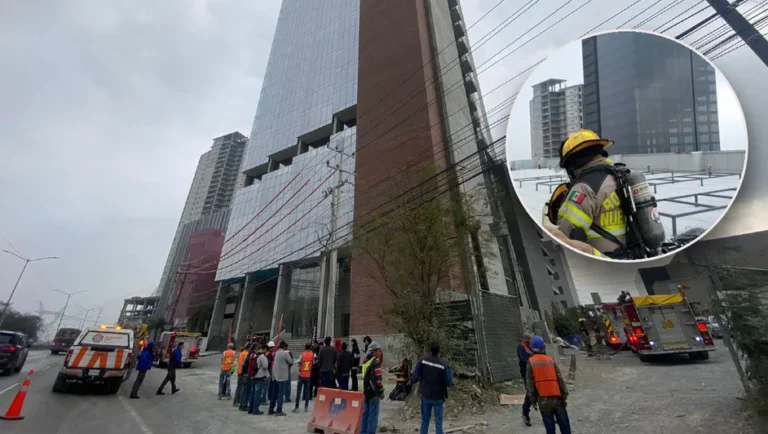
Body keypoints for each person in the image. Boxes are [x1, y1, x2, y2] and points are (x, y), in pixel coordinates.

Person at [550, 129, 628, 259]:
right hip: (631, 255)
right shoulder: (620, 177)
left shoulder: (584, 188)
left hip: (601, 262)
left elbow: (565, 237)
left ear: (574, 163)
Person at [525, 336, 571, 434]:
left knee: (549, 426)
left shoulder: (531, 362)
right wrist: (564, 394)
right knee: (564, 425)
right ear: (543, 347)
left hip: (543, 399)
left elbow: (530, 383)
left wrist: (533, 400)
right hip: (557, 397)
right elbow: (559, 379)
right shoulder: (550, 360)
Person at [409, 343, 452, 434]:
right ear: (439, 351)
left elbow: (416, 375)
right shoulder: (443, 364)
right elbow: (448, 382)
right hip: (438, 396)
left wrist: (411, 381)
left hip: (426, 395)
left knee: (425, 420)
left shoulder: (424, 360)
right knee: (438, 421)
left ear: (430, 350)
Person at [361, 342, 384, 434]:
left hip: (366, 391)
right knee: (373, 415)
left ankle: (363, 431)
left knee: (365, 414)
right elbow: (378, 379)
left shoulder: (366, 362)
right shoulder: (376, 362)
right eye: (378, 351)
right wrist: (381, 390)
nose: (380, 353)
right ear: (373, 352)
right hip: (374, 392)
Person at [269, 341, 292, 416]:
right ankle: (279, 410)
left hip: (275, 375)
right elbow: (290, 361)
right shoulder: (285, 353)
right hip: (282, 376)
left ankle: (271, 409)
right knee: (280, 394)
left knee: (274, 394)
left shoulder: (276, 353)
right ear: (285, 347)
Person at [517, 333, 534, 426]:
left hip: (535, 371)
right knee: (530, 393)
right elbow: (523, 359)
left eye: (529, 338)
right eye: (526, 338)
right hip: (526, 373)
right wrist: (532, 358)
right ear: (523, 339)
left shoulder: (531, 347)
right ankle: (525, 414)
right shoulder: (521, 347)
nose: (528, 340)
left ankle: (549, 415)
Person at [248, 344, 269, 415]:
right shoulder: (262, 357)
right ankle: (255, 410)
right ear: (264, 349)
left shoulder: (254, 355)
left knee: (252, 393)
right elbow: (265, 366)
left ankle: (250, 409)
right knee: (257, 394)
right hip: (259, 377)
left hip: (253, 376)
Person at [294, 343, 314, 413]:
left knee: (299, 392)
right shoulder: (312, 354)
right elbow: (313, 363)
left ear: (305, 348)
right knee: (307, 392)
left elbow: (299, 362)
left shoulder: (302, 354)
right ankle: (306, 407)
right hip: (308, 374)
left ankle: (296, 407)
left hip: (302, 374)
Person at [239, 344, 257, 411]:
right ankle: (244, 404)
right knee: (248, 390)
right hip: (248, 375)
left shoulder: (247, 354)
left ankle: (241, 404)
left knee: (244, 390)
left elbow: (243, 364)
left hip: (244, 374)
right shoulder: (253, 355)